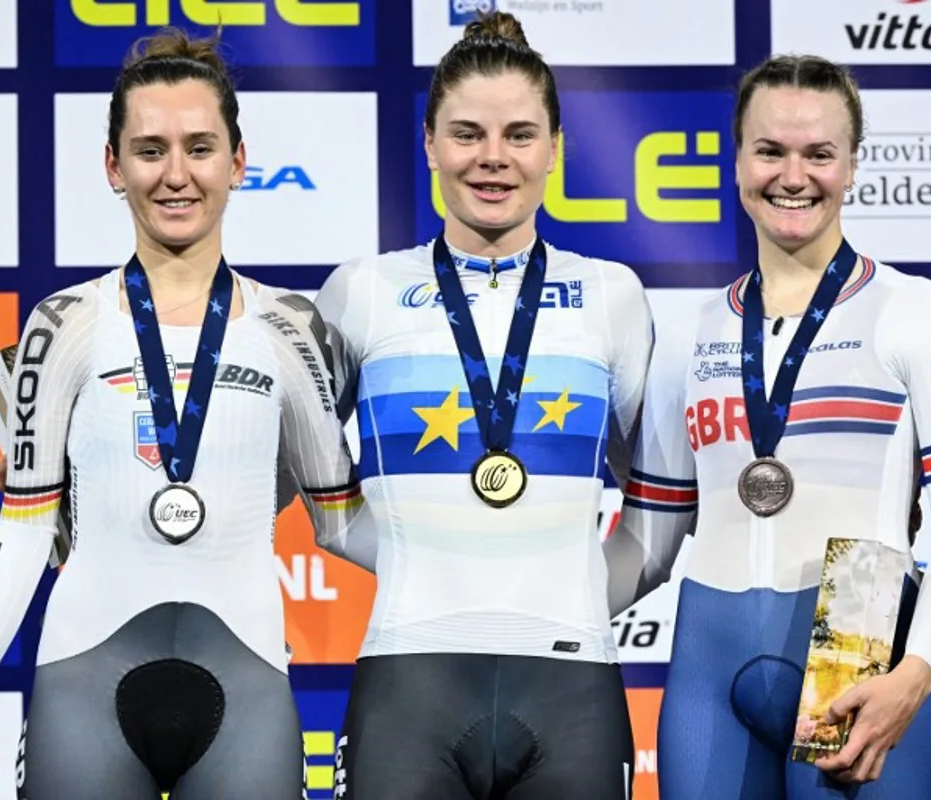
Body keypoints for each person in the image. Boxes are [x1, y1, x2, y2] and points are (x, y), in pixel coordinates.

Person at [0, 27, 367, 800]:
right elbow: (22, 530)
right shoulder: (61, 323)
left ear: (239, 162)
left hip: (248, 683)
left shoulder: (293, 328)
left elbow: (341, 520)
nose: (176, 174)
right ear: (112, 166)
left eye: (199, 146)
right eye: (150, 150)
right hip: (82, 681)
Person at [604, 54, 931, 798]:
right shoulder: (691, 334)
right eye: (770, 150)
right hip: (707, 667)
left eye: (819, 153)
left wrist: (915, 674)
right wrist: (531, 610)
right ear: (737, 160)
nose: (794, 175)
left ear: (852, 166)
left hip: (860, 631)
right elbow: (649, 544)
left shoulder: (919, 312)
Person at [313, 11, 652, 799]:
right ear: (429, 143)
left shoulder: (614, 298)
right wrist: (411, 556)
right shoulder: (361, 292)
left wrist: (559, 589)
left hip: (573, 682)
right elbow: (310, 484)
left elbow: (659, 508)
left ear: (555, 150)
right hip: (408, 675)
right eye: (466, 134)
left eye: (520, 135)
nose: (493, 159)